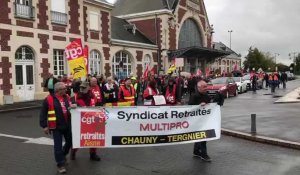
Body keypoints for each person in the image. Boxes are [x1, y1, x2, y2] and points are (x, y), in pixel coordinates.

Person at [39, 82, 75, 174]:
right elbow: (43, 113)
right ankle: (60, 164)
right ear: (58, 90)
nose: (66, 90)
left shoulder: (66, 97)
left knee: (70, 142)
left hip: (67, 124)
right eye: (64, 88)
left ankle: (63, 155)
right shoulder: (49, 99)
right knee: (57, 146)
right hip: (56, 126)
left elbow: (71, 106)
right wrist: (44, 126)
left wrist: (73, 106)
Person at [188, 79, 224, 162]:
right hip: (196, 121)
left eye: (206, 86)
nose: (206, 88)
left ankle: (196, 151)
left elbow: (211, 104)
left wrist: (218, 97)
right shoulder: (194, 96)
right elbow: (189, 107)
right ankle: (204, 154)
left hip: (204, 120)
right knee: (203, 137)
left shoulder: (206, 95)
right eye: (204, 87)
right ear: (199, 87)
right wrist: (198, 106)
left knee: (201, 136)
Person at [71, 82, 101, 161]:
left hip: (92, 119)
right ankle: (73, 151)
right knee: (79, 137)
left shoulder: (92, 96)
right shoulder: (76, 96)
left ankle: (93, 154)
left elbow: (97, 105)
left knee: (94, 138)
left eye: (84, 87)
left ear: (88, 88)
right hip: (81, 121)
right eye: (81, 87)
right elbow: (70, 107)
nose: (82, 89)